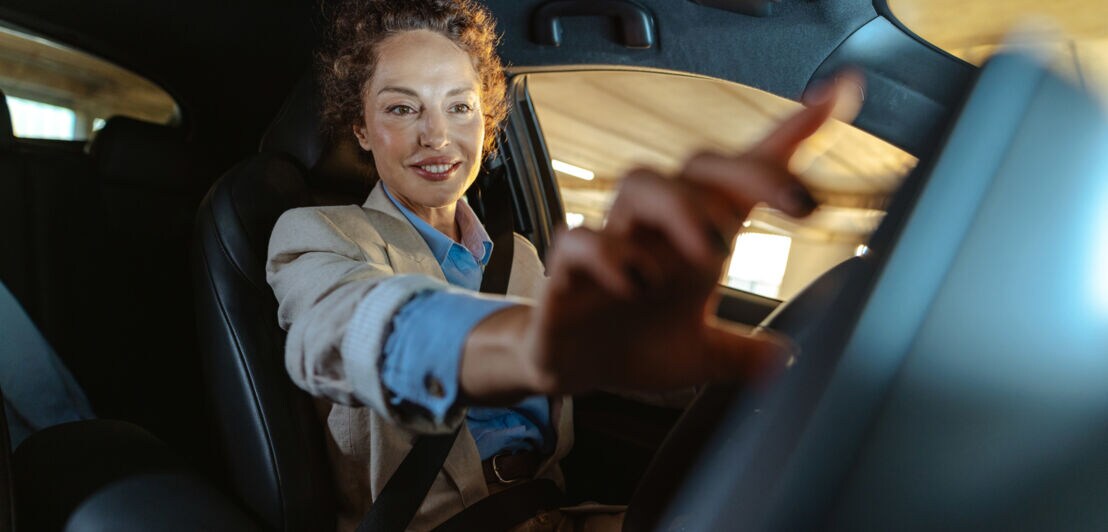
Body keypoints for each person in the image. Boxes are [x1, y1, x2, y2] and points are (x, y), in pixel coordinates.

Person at [266, 0, 859, 529]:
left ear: (486, 119)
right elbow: (339, 331)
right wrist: (526, 345)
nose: (437, 135)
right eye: (401, 109)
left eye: (460, 107)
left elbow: (609, 355)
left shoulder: (520, 256)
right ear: (360, 129)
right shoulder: (318, 233)